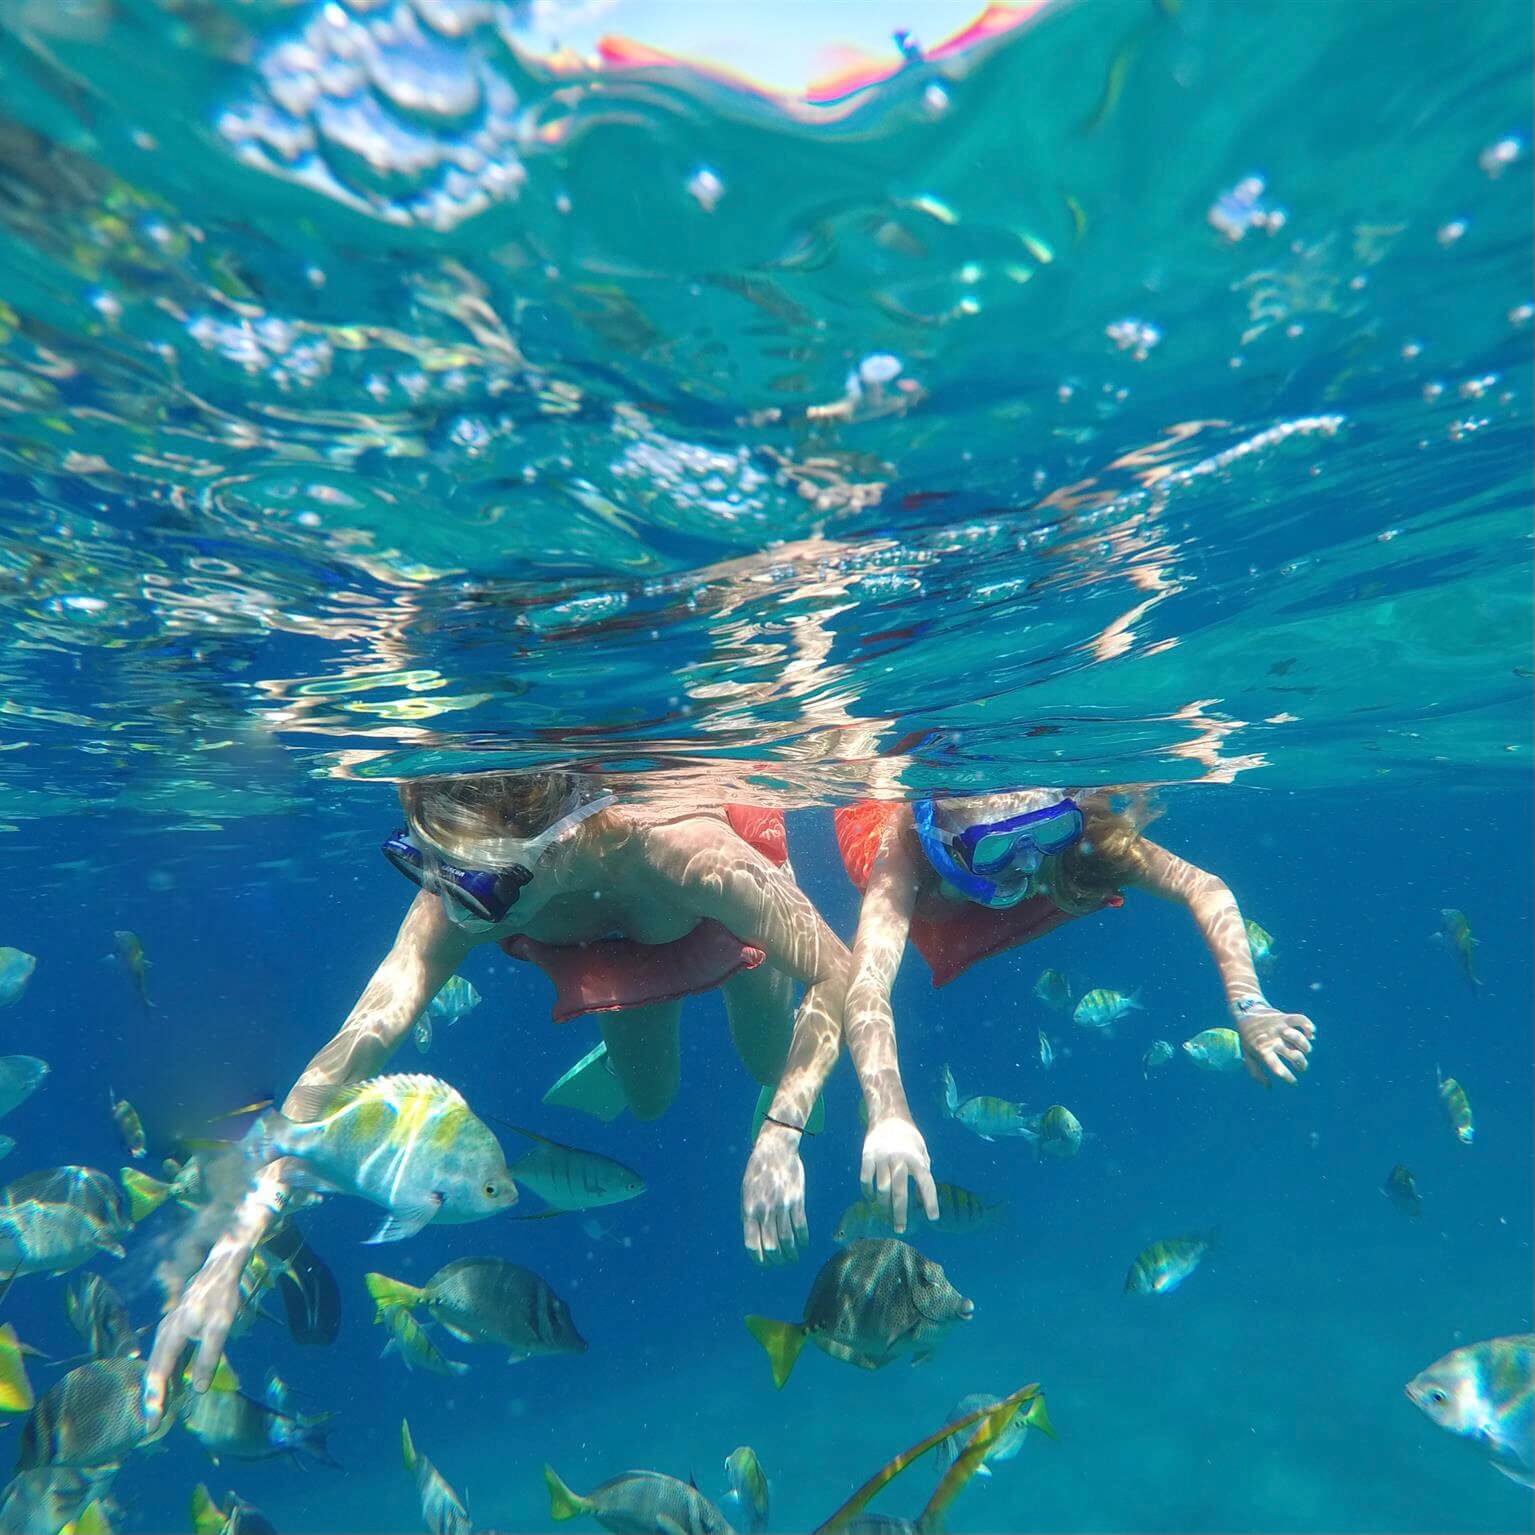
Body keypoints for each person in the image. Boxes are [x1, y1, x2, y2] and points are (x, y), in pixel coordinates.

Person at [143, 771, 889, 1421]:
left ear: (555, 843)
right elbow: (347, 1051)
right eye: (422, 865)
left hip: (708, 909)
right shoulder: (464, 874)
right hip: (615, 942)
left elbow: (837, 969)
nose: (452, 905)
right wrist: (228, 1255)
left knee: (765, 1057)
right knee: (651, 1096)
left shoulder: (681, 852)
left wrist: (783, 1128)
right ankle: (637, 1017)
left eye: (477, 883)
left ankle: (755, 963)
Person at [742, 787, 1317, 1250]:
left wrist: (1251, 1004)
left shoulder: (1080, 839)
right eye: (997, 850)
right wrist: (888, 1113)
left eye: (1047, 835)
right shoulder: (904, 851)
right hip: (931, 890)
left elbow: (1204, 887)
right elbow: (867, 988)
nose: (1027, 866)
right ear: (945, 841)